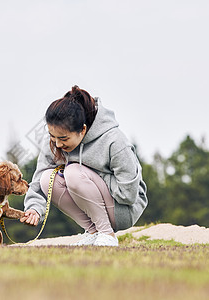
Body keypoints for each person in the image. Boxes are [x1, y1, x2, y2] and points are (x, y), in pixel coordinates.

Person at [20, 86, 148, 246]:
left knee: (73, 172)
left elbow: (128, 194)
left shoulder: (115, 141)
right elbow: (39, 180)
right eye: (52, 137)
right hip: (95, 209)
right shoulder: (56, 142)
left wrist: (88, 175)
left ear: (83, 130)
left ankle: (107, 234)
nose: (58, 144)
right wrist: (34, 208)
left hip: (123, 209)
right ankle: (94, 233)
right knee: (48, 178)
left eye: (64, 138)